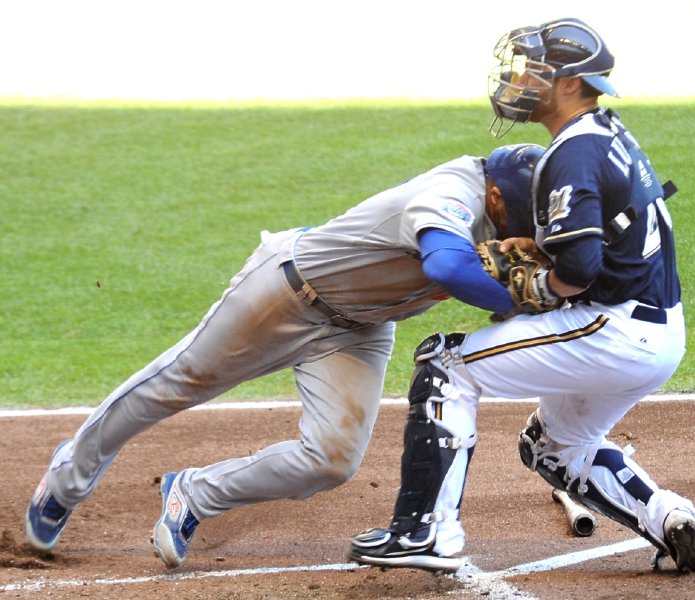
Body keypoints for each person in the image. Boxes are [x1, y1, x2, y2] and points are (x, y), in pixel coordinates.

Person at [23, 143, 548, 568]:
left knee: (332, 459)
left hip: (358, 330)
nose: (526, 238)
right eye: (523, 221)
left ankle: (194, 495)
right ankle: (68, 477)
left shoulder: (508, 212)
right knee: (177, 382)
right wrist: (519, 296)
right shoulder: (450, 192)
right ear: (497, 198)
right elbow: (450, 269)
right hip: (287, 293)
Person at [349, 17, 695, 574]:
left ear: (570, 83)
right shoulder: (608, 137)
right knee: (551, 447)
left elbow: (582, 268)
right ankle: (667, 517)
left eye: (534, 68)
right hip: (658, 333)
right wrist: (542, 252)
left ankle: (426, 532)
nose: (519, 79)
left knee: (447, 367)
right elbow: (606, 243)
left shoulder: (570, 153)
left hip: (612, 330)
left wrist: (538, 288)